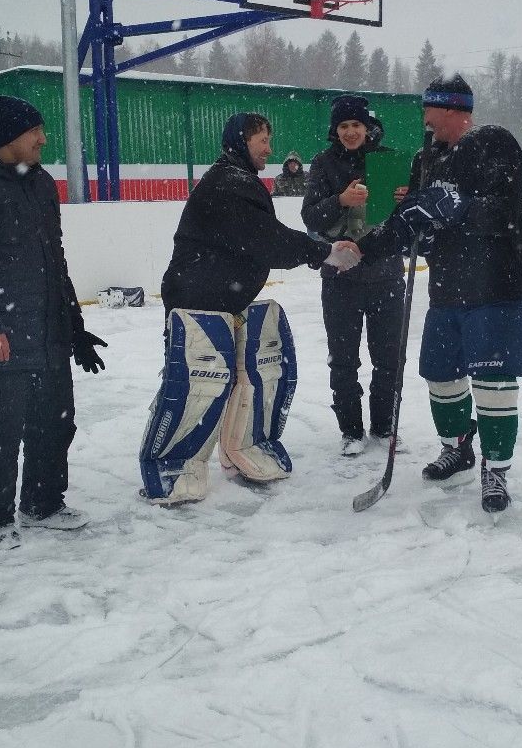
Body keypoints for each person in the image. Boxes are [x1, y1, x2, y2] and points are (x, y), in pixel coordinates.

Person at [139, 112, 360, 506]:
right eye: (263, 141)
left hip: (224, 299)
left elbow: (263, 240)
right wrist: (324, 253)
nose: (269, 149)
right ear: (242, 141)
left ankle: (242, 447)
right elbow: (268, 240)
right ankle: (172, 466)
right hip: (198, 301)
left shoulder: (239, 180)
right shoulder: (228, 184)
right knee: (196, 385)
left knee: (247, 377)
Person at [0, 95, 107, 550]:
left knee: (56, 421)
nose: (43, 138)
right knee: (0, 428)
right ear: (11, 136)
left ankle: (43, 502)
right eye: (35, 130)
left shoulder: (41, 185)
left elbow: (56, 259)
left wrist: (73, 325)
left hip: (49, 326)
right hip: (4, 331)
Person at [364, 74, 522, 514]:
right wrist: (370, 244)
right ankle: (457, 447)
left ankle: (496, 468)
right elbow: (417, 218)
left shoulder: (494, 143)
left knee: (493, 382)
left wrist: (456, 207)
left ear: (454, 110)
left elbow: (501, 211)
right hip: (448, 287)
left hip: (498, 285)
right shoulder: (426, 156)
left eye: (430, 111)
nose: (426, 120)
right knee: (440, 373)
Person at [301, 94, 406, 456]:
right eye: (343, 126)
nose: (350, 132)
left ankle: (384, 426)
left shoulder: (387, 159)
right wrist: (340, 201)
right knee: (344, 360)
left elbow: (405, 218)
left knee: (389, 359)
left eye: (356, 125)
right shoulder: (323, 163)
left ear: (367, 127)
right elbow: (310, 216)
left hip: (386, 276)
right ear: (336, 130)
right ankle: (351, 430)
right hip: (340, 280)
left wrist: (404, 198)